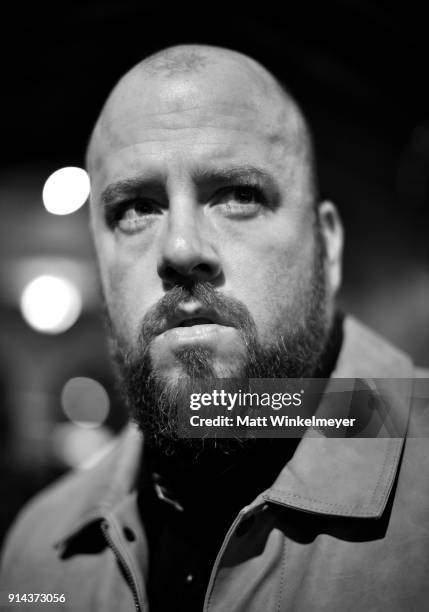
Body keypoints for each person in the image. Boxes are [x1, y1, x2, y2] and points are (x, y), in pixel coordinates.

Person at [1, 44, 428, 612]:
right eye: (135, 208)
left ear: (327, 247)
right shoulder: (38, 555)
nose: (179, 249)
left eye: (238, 196)